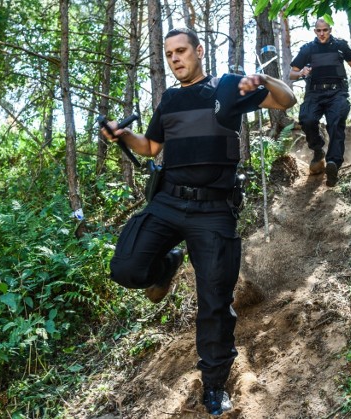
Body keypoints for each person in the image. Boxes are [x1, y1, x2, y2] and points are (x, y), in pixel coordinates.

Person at [101, 28, 296, 415]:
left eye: (181, 51)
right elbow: (152, 147)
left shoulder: (227, 87)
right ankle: (168, 264)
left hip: (214, 211)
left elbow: (286, 100)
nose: (174, 59)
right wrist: (124, 135)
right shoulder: (169, 99)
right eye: (169, 53)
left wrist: (264, 79)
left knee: (214, 303)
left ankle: (213, 385)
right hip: (169, 201)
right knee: (126, 267)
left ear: (199, 51)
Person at [289, 18, 351, 186]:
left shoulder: (340, 45)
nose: (322, 33)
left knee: (336, 122)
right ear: (315, 31)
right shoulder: (308, 49)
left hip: (337, 92)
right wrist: (302, 72)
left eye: (325, 30)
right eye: (319, 30)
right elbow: (291, 74)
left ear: (330, 29)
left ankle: (333, 164)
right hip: (314, 93)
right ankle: (318, 151)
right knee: (307, 119)